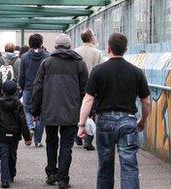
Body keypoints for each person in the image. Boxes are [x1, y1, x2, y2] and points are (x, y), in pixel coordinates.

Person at [77, 33, 151, 189]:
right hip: (128, 120)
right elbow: (146, 102)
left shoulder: (98, 70)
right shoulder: (137, 72)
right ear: (125, 49)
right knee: (129, 166)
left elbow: (88, 99)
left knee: (105, 166)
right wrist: (143, 120)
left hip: (104, 122)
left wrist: (82, 125)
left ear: (109, 48)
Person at [32, 34, 88, 189]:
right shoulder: (79, 64)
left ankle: (51, 174)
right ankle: (63, 179)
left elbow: (38, 89)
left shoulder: (46, 63)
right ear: (69, 46)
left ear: (56, 47)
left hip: (50, 110)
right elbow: (85, 90)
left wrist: (35, 110)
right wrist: (85, 113)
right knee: (66, 145)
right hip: (71, 111)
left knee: (51, 141)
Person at [0, 80, 32, 188]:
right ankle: (12, 173)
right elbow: (23, 121)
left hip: (2, 133)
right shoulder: (18, 104)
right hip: (14, 133)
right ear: (15, 92)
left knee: (4, 155)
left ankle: (5, 179)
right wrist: (27, 137)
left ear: (2, 91)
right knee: (12, 154)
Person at [74, 29, 104, 150]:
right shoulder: (97, 53)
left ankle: (77, 135)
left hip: (77, 86)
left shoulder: (76, 52)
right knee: (91, 113)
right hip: (93, 87)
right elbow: (101, 69)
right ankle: (88, 139)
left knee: (78, 111)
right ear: (91, 37)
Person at [19, 34, 49, 147]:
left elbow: (21, 75)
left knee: (26, 110)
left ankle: (30, 127)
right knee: (41, 114)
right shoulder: (47, 56)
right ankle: (37, 141)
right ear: (41, 43)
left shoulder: (24, 57)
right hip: (43, 90)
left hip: (28, 88)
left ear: (29, 43)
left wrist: (21, 88)